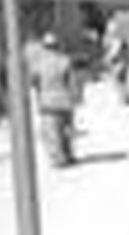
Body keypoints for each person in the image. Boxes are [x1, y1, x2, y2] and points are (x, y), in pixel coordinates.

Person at [30, 32, 79, 167]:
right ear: (58, 46)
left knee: (51, 131)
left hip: (47, 101)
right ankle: (68, 154)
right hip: (64, 100)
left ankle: (57, 157)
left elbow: (33, 80)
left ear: (44, 47)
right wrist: (75, 97)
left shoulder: (39, 64)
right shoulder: (65, 60)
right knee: (66, 129)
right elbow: (72, 81)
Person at [103, 33, 129, 106]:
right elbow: (118, 59)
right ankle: (127, 99)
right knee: (123, 84)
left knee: (121, 84)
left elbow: (116, 59)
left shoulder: (123, 52)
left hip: (122, 69)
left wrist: (112, 61)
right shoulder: (126, 52)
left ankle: (126, 99)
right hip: (124, 69)